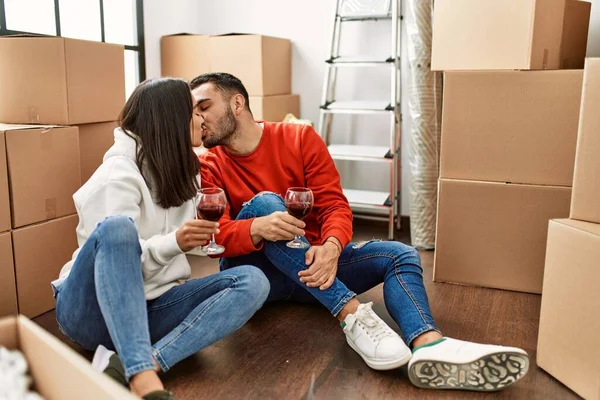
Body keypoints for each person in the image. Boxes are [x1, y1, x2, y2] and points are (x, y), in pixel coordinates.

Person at [190, 72, 530, 392]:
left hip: (312, 269)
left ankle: (428, 344)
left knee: (400, 254)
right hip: (256, 278)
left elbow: (334, 204)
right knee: (266, 205)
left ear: (237, 103)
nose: (198, 118)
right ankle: (350, 315)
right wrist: (258, 226)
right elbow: (213, 237)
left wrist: (333, 247)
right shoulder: (208, 164)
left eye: (205, 106)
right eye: (193, 112)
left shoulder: (298, 138)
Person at [51, 78, 270, 400]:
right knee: (117, 228)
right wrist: (175, 243)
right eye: (194, 111)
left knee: (252, 281)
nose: (201, 119)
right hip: (91, 311)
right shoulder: (117, 175)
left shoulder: (184, 169)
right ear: (171, 119)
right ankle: (142, 376)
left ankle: (142, 361)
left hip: (151, 307)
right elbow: (113, 268)